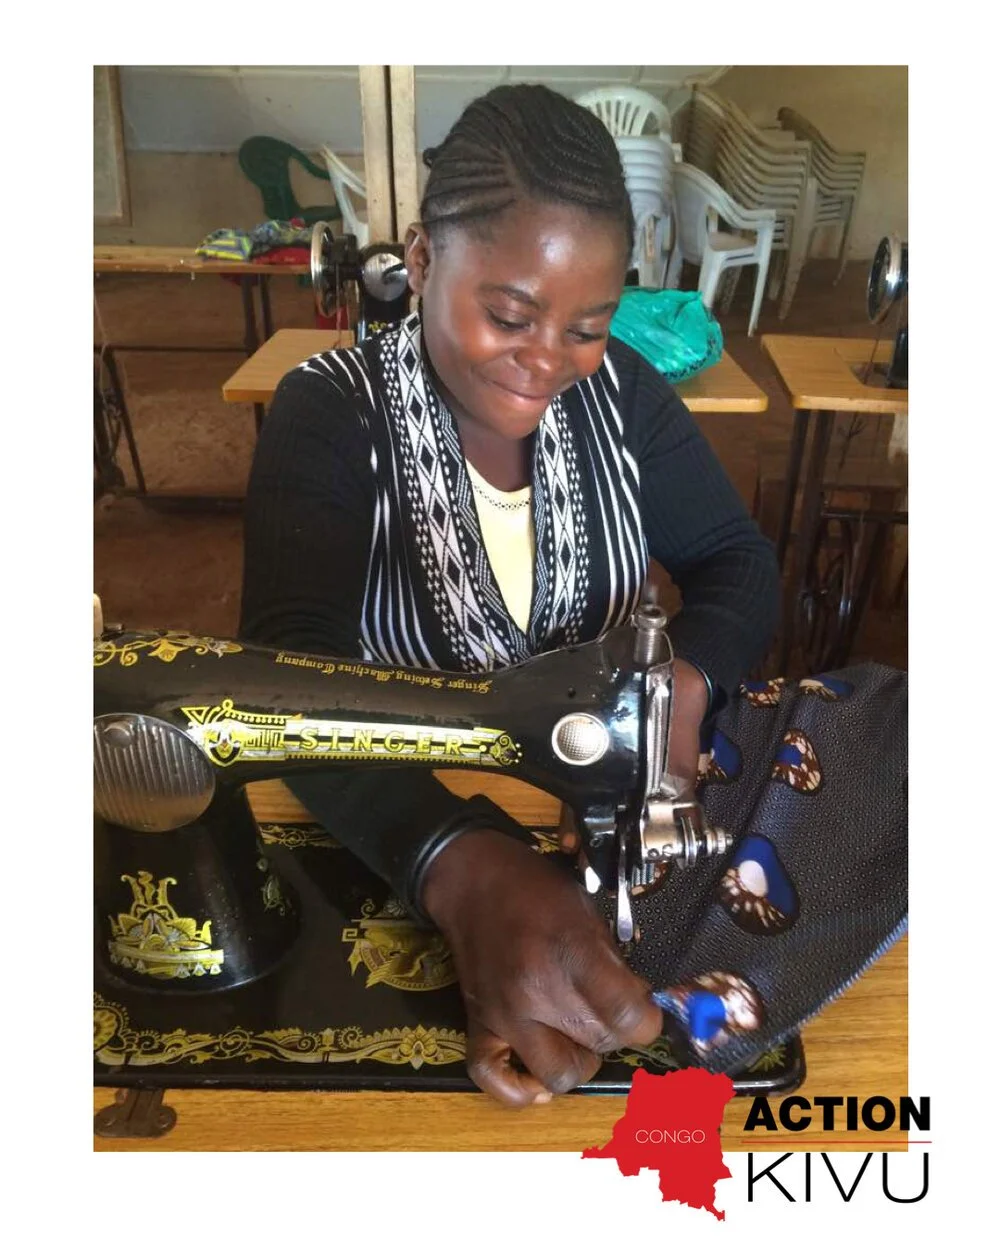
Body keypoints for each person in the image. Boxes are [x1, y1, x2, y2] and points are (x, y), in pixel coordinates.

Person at [239, 84, 906, 1107]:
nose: (548, 360)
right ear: (422, 262)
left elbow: (734, 558)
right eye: (509, 314)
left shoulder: (618, 390)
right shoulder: (329, 410)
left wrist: (682, 682)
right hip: (381, 808)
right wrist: (457, 862)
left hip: (584, 811)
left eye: (586, 324)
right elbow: (287, 670)